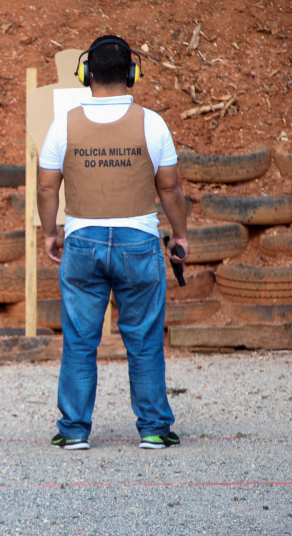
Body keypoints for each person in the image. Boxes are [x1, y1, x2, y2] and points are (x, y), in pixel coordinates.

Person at [36, 35, 189, 451]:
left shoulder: (63, 124)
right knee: (144, 340)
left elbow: (47, 188)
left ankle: (73, 431)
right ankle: (154, 428)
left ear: (86, 74)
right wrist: (180, 234)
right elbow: (171, 189)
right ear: (132, 74)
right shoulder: (152, 123)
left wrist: (51, 232)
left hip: (82, 242)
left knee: (79, 341)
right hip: (138, 243)